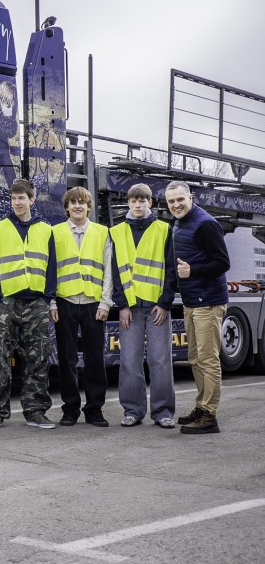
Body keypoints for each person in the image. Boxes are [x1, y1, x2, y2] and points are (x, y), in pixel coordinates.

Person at [0, 178, 57, 429]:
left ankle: (35, 411)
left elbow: (52, 266)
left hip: (36, 302)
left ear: (31, 200)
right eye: (14, 198)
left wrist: (47, 297)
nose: (17, 202)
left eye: (22, 198)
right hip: (7, 302)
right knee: (0, 357)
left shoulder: (46, 230)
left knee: (38, 359)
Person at [110, 183, 177, 428]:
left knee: (160, 361)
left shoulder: (164, 230)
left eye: (142, 201)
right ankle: (132, 410)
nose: (138, 205)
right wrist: (122, 305)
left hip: (157, 308)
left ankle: (163, 412)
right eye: (133, 201)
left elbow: (171, 270)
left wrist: (165, 303)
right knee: (129, 361)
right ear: (128, 203)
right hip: (130, 308)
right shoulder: (116, 232)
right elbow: (115, 272)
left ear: (151, 202)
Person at [165, 180, 230, 435]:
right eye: (171, 201)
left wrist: (192, 271)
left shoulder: (205, 224)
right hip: (192, 301)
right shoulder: (180, 222)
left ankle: (209, 415)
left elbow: (222, 263)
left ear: (190, 198)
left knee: (208, 359)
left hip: (208, 301)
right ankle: (201, 407)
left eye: (180, 199)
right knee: (194, 358)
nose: (176, 205)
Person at [50, 187, 113, 427]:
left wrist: (106, 302)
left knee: (95, 359)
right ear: (67, 207)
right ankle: (70, 409)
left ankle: (94, 409)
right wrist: (52, 302)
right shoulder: (55, 232)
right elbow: (49, 269)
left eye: (82, 202)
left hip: (93, 304)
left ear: (89, 207)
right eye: (73, 202)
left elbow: (109, 271)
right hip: (64, 301)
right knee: (65, 359)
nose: (77, 206)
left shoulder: (102, 232)